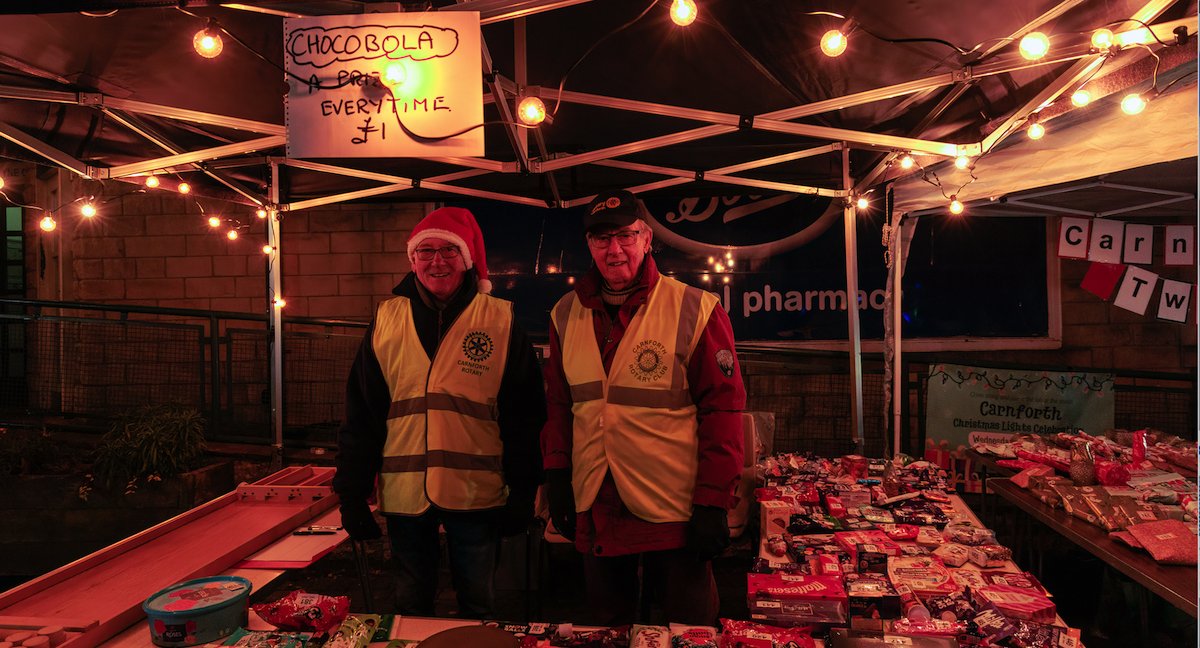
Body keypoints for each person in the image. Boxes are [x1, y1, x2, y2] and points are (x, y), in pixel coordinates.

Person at [541, 189, 746, 625]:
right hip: (598, 499)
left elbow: (723, 413)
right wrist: (557, 474)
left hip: (675, 508)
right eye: (601, 239)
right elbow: (559, 405)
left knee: (687, 628)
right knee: (607, 628)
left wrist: (713, 501)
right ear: (589, 246)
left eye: (625, 236)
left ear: (647, 238)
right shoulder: (564, 313)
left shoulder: (694, 307)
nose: (614, 250)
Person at [333, 206, 546, 618]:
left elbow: (525, 416)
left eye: (449, 250)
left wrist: (524, 491)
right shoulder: (385, 319)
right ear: (412, 260)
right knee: (410, 605)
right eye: (425, 251)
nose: (437, 261)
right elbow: (361, 414)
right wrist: (351, 493)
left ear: (467, 260)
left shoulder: (500, 320)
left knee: (479, 604)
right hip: (405, 496)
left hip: (477, 495)